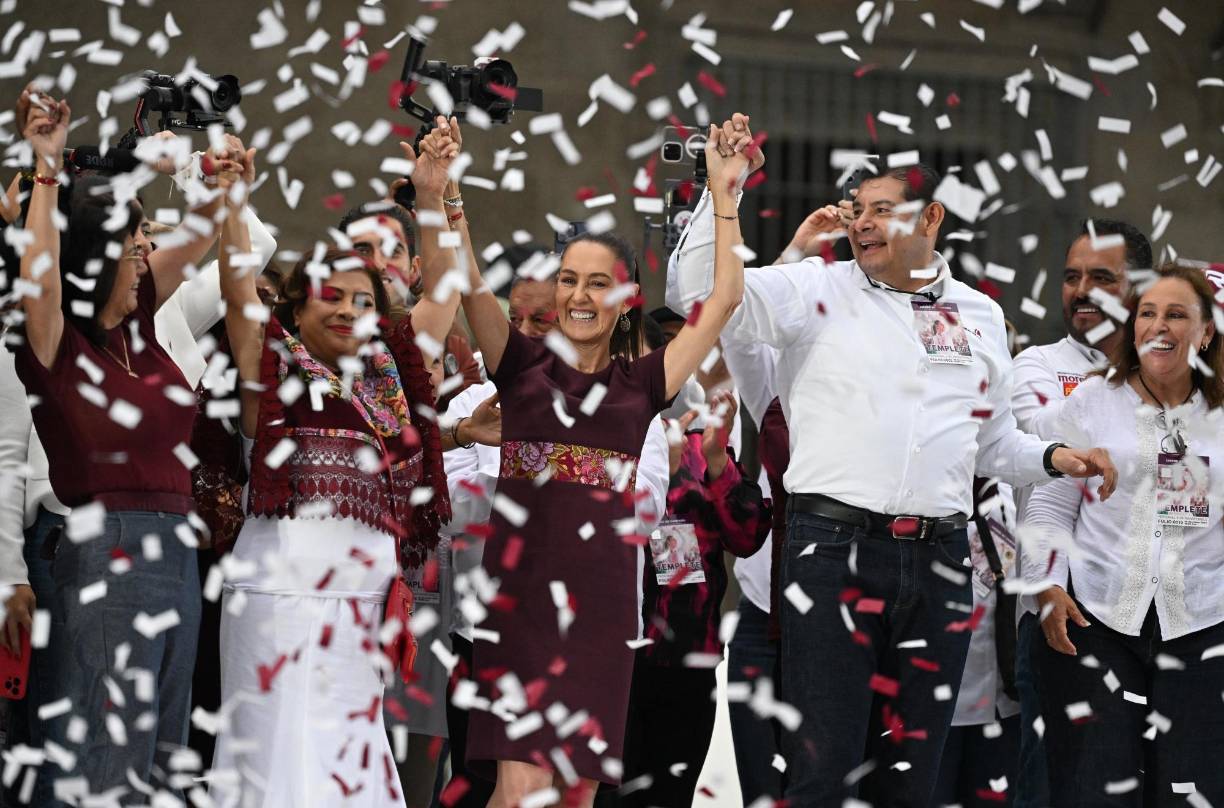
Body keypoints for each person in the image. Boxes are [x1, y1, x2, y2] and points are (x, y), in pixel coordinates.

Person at [666, 112, 1117, 806]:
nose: (863, 223)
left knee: (913, 781)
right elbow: (694, 294)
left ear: (931, 215)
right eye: (855, 212)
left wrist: (1060, 457)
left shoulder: (980, 315)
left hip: (940, 564)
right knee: (823, 773)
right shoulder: (813, 290)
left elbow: (992, 445)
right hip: (830, 553)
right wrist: (723, 196)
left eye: (882, 209)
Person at [452, 128, 748, 807]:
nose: (579, 296)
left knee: (576, 794)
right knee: (521, 788)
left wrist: (723, 191)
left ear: (626, 300)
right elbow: (468, 286)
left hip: (605, 613)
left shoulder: (643, 385)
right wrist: (449, 201)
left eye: (598, 283)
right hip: (521, 605)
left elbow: (724, 301)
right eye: (567, 281)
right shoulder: (520, 368)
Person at [206, 122, 459, 806]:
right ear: (296, 300)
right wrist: (232, 200)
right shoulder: (277, 369)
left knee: (349, 777)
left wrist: (436, 199)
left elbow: (446, 293)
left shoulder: (394, 381)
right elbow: (236, 295)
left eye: (364, 300)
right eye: (333, 294)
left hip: (360, 612)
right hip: (278, 604)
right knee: (278, 774)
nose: (349, 310)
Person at [7, 84, 244, 802]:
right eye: (135, 234)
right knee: (104, 757)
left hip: (179, 553)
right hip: (106, 549)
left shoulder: (139, 330)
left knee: (159, 758)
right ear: (99, 250)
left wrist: (226, 172)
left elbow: (207, 226)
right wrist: (47, 169)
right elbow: (39, 281)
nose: (149, 245)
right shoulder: (56, 348)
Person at [1023, 263, 1224, 806]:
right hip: (1096, 621)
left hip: (1204, 630)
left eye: (1177, 315)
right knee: (1094, 791)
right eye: (1148, 313)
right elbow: (1049, 497)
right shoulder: (1093, 400)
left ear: (1206, 333)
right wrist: (1045, 585)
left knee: (1191, 791)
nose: (1159, 326)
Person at [1009, 218, 1149, 808]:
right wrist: (1046, 584)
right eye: (1071, 277)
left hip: (1165, 617)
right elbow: (1041, 455)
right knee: (1059, 789)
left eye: (1101, 277)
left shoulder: (1182, 382)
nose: (1080, 290)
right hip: (1066, 615)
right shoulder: (1037, 365)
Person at [617, 381, 770, 808]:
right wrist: (653, 474)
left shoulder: (701, 447)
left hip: (688, 655)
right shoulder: (604, 439)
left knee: (670, 796)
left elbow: (748, 535)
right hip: (617, 654)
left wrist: (720, 461)